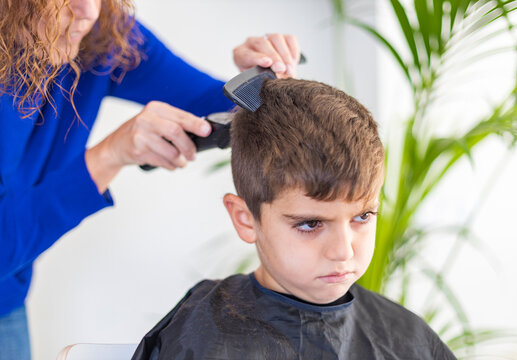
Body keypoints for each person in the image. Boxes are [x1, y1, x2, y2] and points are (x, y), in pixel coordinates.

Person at [0, 0, 301, 359]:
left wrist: (259, 81)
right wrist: (108, 156)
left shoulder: (98, 35)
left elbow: (214, 110)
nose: (87, 10)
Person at [131, 78, 457, 359]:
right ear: (246, 219)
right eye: (310, 224)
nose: (343, 251)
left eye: (362, 216)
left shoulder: (406, 336)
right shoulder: (204, 331)